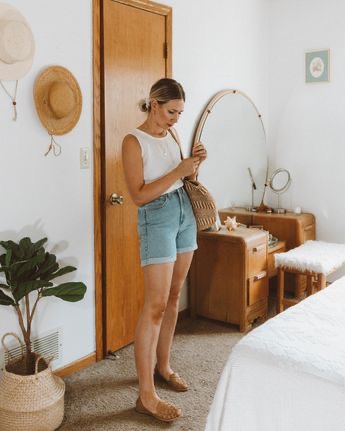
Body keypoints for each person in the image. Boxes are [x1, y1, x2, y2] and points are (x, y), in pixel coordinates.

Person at [122, 78, 207, 422]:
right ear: (154, 104)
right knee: (155, 305)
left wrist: (193, 164)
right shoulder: (133, 141)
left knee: (173, 298)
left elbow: (177, 179)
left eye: (180, 113)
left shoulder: (171, 135)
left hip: (184, 211)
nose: (176, 119)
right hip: (156, 218)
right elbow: (139, 195)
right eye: (172, 111)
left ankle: (164, 367)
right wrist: (178, 169)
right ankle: (145, 395)